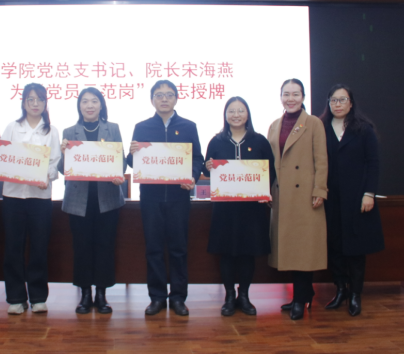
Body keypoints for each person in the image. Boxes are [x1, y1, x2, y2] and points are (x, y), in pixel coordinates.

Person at [127, 80, 204, 316]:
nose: (164, 99)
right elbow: (134, 163)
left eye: (169, 95)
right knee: (153, 248)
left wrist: (192, 176)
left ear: (176, 98)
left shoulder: (188, 126)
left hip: (179, 197)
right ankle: (157, 297)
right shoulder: (142, 127)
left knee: (179, 249)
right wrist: (131, 154)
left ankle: (178, 297)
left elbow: (197, 159)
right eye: (159, 95)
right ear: (152, 99)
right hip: (151, 198)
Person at [0, 83, 61, 315]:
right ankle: (16, 298)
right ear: (23, 102)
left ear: (45, 103)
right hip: (13, 196)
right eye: (30, 99)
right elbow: (2, 157)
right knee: (13, 247)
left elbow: (54, 163)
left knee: (39, 247)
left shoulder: (51, 131)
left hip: (40, 197)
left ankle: (38, 297)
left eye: (39, 99)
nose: (35, 104)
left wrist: (47, 176)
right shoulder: (12, 127)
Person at [203, 97, 275, 317]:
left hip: (251, 208)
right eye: (231, 111)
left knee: (247, 253)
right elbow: (207, 171)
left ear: (247, 114)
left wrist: (264, 191)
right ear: (225, 115)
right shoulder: (216, 141)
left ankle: (244, 295)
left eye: (240, 110)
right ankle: (229, 296)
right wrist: (208, 167)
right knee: (226, 253)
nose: (236, 115)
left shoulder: (260, 140)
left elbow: (270, 171)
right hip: (225, 208)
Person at [58, 87, 126, 314]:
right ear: (79, 106)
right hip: (79, 199)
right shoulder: (69, 131)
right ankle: (85, 294)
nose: (89, 105)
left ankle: (102, 295)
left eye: (94, 101)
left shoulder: (112, 128)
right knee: (82, 247)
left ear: (101, 105)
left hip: (107, 198)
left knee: (105, 246)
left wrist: (117, 174)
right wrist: (64, 153)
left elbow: (121, 162)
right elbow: (63, 169)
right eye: (85, 101)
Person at [319, 84, 383, 317]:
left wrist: (369, 193)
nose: (337, 104)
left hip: (357, 198)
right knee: (334, 246)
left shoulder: (363, 129)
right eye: (333, 100)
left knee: (355, 249)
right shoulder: (321, 128)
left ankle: (355, 294)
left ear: (351, 103)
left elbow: (373, 163)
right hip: (330, 198)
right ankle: (341, 290)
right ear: (328, 103)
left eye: (342, 99)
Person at [267, 78, 328, 320]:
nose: (290, 99)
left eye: (295, 94)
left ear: (303, 97)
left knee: (304, 249)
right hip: (282, 195)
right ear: (280, 97)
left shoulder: (313, 123)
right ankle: (301, 295)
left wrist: (320, 190)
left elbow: (321, 159)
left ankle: (301, 298)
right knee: (291, 249)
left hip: (305, 196)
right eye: (286, 94)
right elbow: (269, 162)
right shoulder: (274, 125)